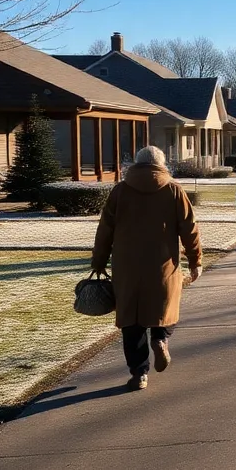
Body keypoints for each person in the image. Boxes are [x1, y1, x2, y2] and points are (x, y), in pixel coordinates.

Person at [92, 146, 202, 391]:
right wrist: (195, 261)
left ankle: (139, 374)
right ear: (162, 165)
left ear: (137, 164)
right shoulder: (174, 190)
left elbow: (105, 229)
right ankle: (161, 338)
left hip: (127, 267)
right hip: (163, 266)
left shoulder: (120, 191)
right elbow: (189, 229)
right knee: (166, 308)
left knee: (132, 322)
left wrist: (99, 261)